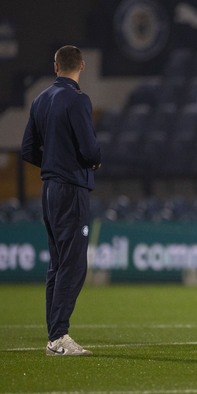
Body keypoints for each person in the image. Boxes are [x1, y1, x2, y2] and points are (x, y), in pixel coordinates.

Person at [21, 45, 101, 356]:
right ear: (81, 66)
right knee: (73, 263)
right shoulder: (78, 99)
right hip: (71, 189)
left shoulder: (40, 100)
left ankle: (55, 335)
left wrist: (54, 161)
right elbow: (91, 150)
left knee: (57, 263)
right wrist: (85, 162)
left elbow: (28, 150)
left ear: (56, 67)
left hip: (49, 189)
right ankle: (58, 337)